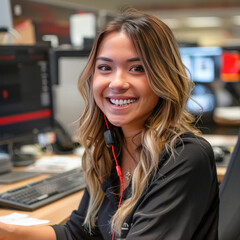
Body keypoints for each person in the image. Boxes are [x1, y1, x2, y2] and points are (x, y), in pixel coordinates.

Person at [0, 8, 219, 240]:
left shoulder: (184, 156)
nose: (117, 82)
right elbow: (80, 234)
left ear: (163, 78)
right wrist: (7, 231)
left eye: (137, 68)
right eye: (105, 67)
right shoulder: (110, 148)